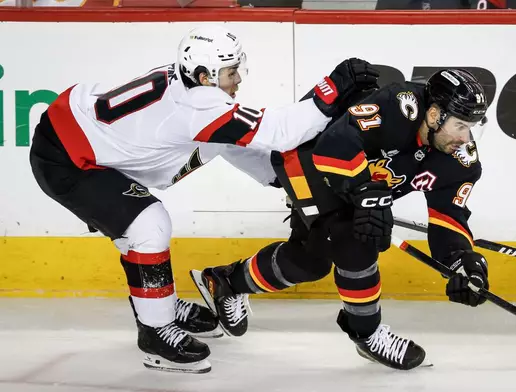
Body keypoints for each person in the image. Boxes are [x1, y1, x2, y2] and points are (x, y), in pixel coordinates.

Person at [28, 24, 379, 374]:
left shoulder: (190, 90)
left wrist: (279, 179)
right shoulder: (198, 105)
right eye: (230, 72)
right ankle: (155, 333)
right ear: (203, 75)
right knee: (147, 225)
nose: (237, 79)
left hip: (80, 136)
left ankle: (157, 301)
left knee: (135, 226)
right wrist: (331, 89)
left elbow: (225, 140)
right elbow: (281, 131)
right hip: (68, 159)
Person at [190, 69, 491, 371]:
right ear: (435, 114)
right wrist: (367, 194)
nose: (465, 137)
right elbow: (335, 144)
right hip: (310, 160)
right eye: (460, 125)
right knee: (355, 240)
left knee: (309, 261)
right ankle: (367, 333)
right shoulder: (399, 106)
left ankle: (226, 281)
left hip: (352, 187)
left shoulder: (460, 160)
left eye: (471, 127)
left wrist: (460, 260)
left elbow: (448, 217)